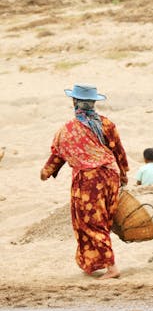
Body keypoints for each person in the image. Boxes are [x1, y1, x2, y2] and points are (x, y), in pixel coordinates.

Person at [40, 84, 129, 280]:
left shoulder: (68, 130)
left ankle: (111, 267)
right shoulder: (106, 124)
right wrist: (123, 173)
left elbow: (57, 155)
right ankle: (91, 262)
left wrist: (46, 172)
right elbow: (118, 151)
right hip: (110, 176)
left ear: (75, 102)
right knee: (103, 221)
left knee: (90, 223)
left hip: (89, 181)